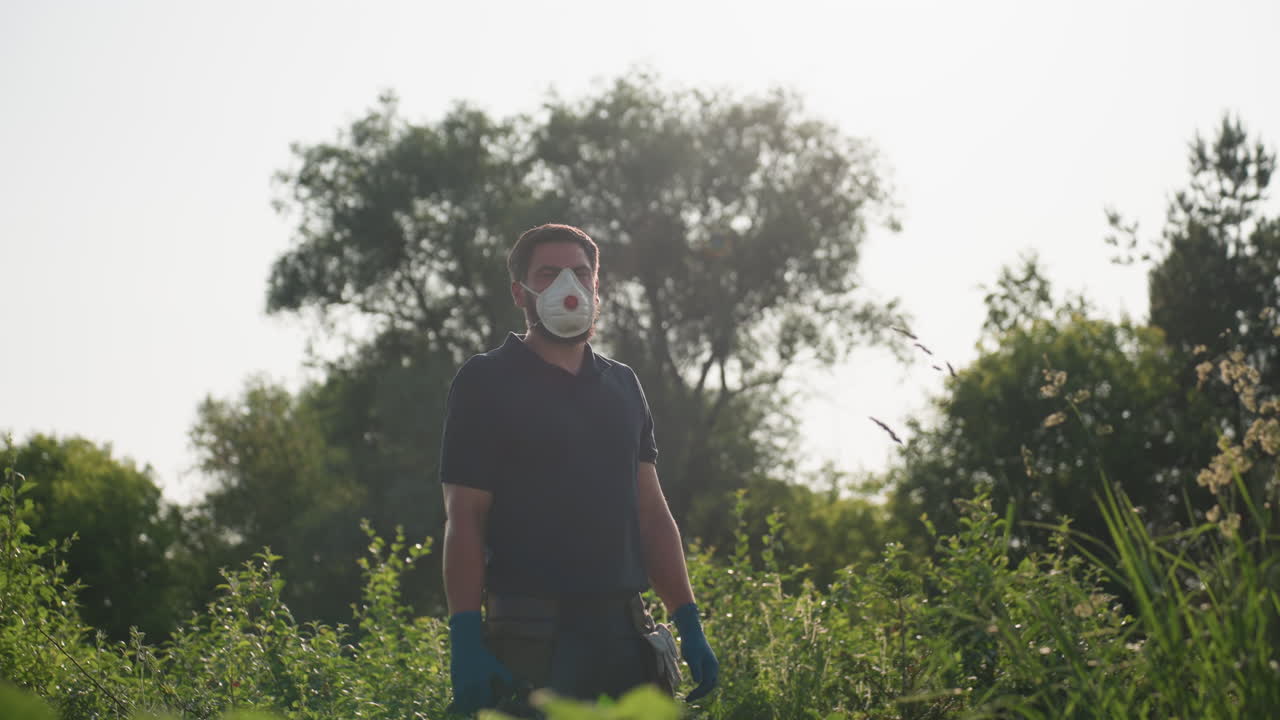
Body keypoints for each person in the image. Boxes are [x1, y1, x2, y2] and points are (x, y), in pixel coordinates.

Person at [439, 223, 719, 715]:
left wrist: (689, 622)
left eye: (580, 274)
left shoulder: (624, 386)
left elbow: (653, 517)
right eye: (548, 274)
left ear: (595, 288)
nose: (567, 287)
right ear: (519, 292)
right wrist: (465, 641)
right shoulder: (485, 381)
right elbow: (464, 521)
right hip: (531, 639)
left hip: (626, 637)